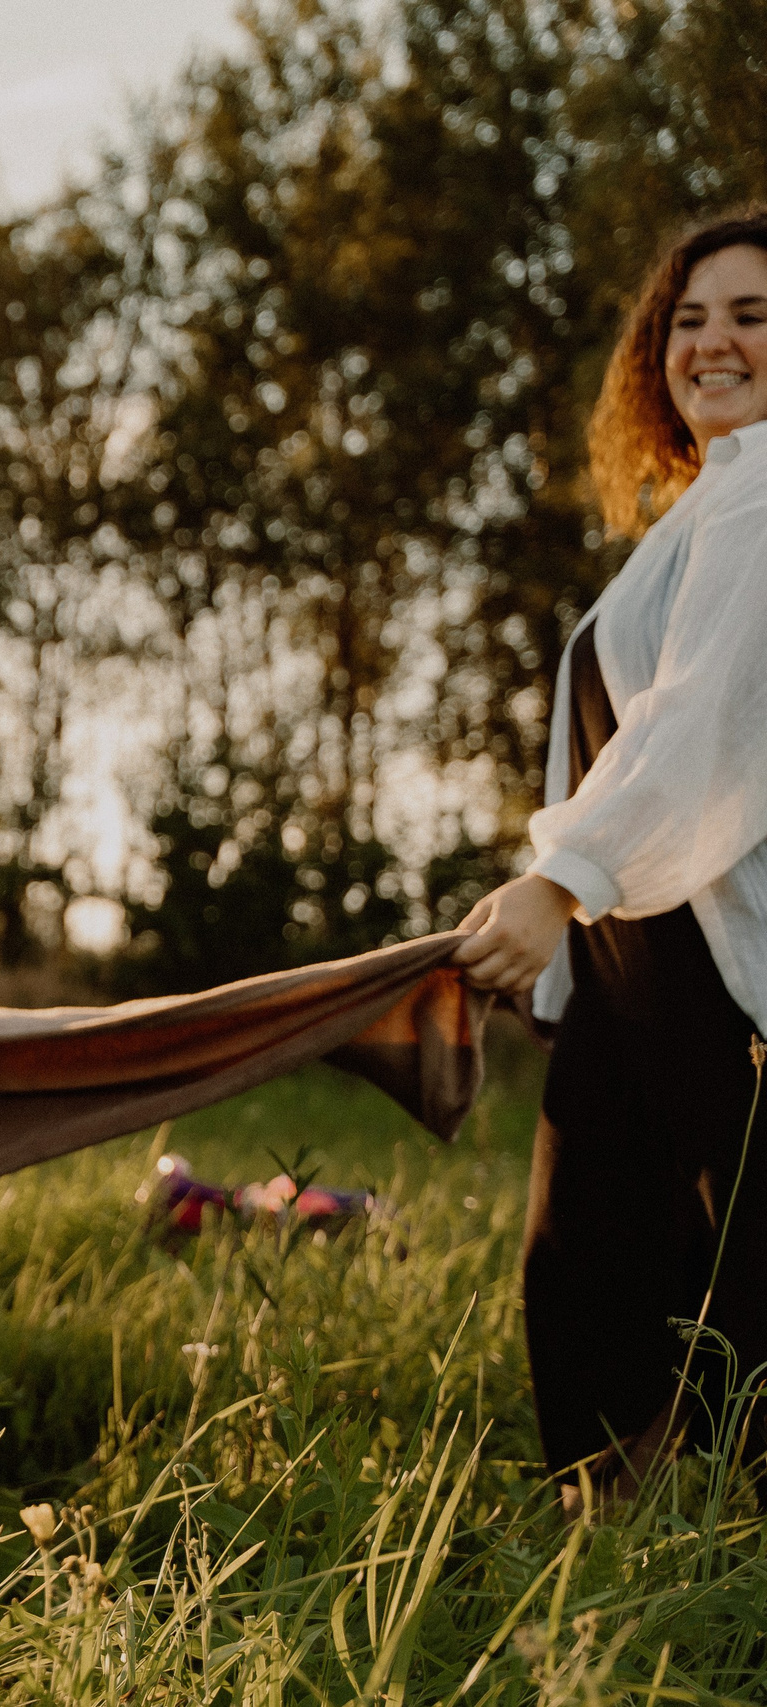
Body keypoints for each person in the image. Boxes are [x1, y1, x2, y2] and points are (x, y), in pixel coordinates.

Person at [456, 207, 767, 1498]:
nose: (711, 343)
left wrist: (560, 883)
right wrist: (567, 966)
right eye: (688, 319)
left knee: (727, 1287)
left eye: (752, 315)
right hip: (640, 960)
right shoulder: (709, 511)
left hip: (719, 970)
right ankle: (616, 1561)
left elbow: (701, 728)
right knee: (592, 1260)